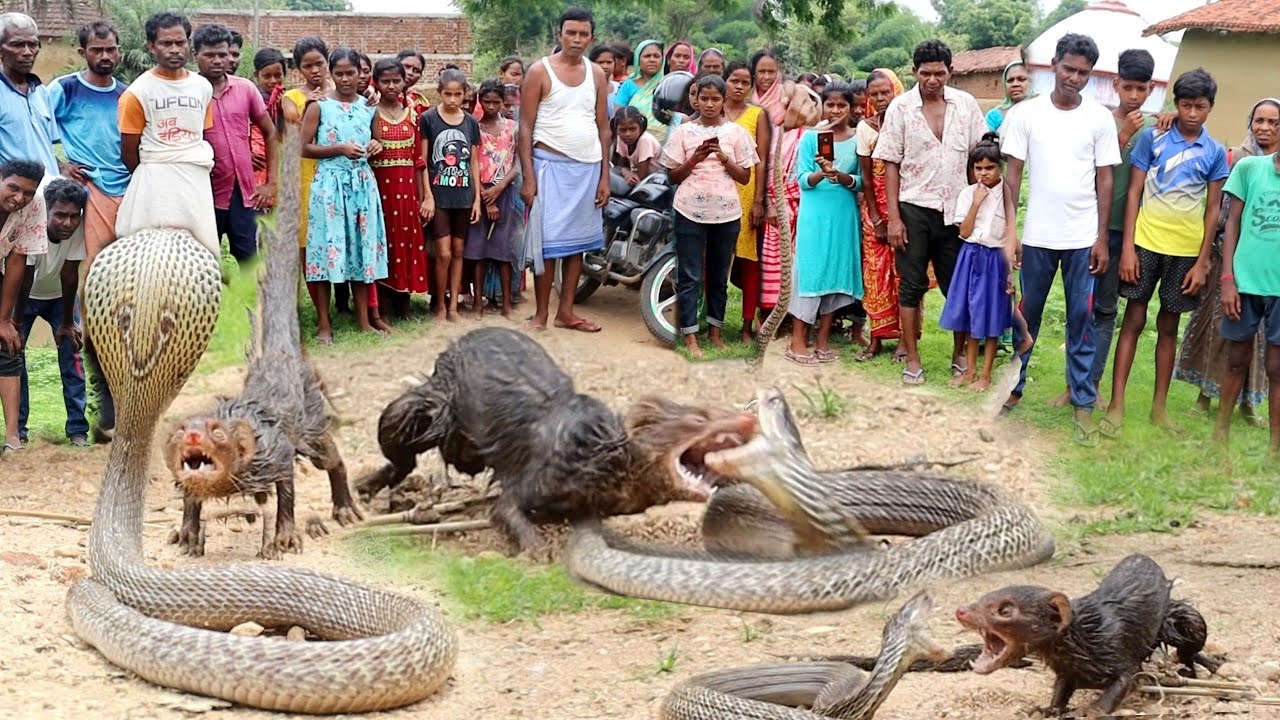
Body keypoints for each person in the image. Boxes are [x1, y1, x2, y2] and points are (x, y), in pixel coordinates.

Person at [999, 33, 1120, 446]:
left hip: (1083, 238)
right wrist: (1010, 231)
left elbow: (1106, 179)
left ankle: (1083, 400)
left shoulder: (1099, 118)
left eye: (1083, 72)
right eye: (1068, 69)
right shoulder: (1026, 115)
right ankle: (1012, 388)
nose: (1074, 78)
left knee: (1081, 320)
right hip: (1035, 237)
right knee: (1024, 317)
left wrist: (1102, 238)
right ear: (1053, 65)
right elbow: (1011, 175)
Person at [1100, 68, 1228, 438]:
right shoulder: (1153, 140)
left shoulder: (1215, 152)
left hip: (1185, 253)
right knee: (1133, 321)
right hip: (1144, 245)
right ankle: (1116, 404)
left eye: (1199, 107)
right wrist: (1127, 248)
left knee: (1168, 326)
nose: (1191, 113)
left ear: (1210, 108)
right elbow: (1135, 194)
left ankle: (1159, 409)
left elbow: (1212, 209)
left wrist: (1203, 261)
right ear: (1176, 104)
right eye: (1185, 105)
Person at [1046, 49, 1159, 409]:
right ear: (1116, 85)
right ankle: (1071, 385)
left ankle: (1091, 385)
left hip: (1126, 234)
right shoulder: (1098, 121)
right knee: (1081, 307)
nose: (1134, 96)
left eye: (1142, 89)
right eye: (1128, 88)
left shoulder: (1156, 129)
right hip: (1088, 228)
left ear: (1152, 89)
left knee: (1106, 310)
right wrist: (1123, 136)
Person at [872, 39, 988, 385]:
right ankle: (913, 358)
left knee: (958, 286)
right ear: (914, 72)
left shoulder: (966, 105)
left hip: (955, 211)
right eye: (926, 74)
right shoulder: (901, 108)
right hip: (913, 209)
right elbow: (890, 163)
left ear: (950, 71)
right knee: (911, 286)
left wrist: (979, 207)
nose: (933, 80)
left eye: (940, 73)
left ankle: (958, 355)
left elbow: (978, 158)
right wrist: (893, 218)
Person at [1176, 97, 1280, 427]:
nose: (1264, 128)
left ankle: (1249, 405)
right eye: (1258, 121)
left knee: (1267, 349)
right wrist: (1222, 271)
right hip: (1232, 263)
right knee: (1223, 337)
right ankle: (1206, 398)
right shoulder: (1241, 160)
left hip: (1269, 275)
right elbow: (1225, 217)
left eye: (1273, 122)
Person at [47, 20, 128, 443]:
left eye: (111, 49)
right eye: (97, 49)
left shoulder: (127, 92)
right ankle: (103, 401)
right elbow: (39, 128)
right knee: (94, 295)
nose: (105, 56)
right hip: (88, 194)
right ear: (83, 52)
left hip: (128, 193)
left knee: (128, 294)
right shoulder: (64, 89)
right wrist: (60, 165)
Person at [518, 6, 612, 334]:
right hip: (549, 170)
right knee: (548, 245)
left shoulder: (597, 75)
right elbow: (525, 128)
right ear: (559, 34)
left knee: (577, 246)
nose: (576, 39)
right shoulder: (539, 72)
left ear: (591, 38)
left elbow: (604, 128)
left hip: (587, 171)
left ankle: (566, 313)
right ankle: (541, 315)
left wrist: (604, 176)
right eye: (570, 32)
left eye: (583, 34)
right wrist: (528, 177)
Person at [659, 74, 758, 357]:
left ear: (724, 100)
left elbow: (744, 176)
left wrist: (723, 157)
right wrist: (695, 158)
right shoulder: (683, 133)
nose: (710, 104)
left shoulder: (737, 133)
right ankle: (690, 336)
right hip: (689, 211)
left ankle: (715, 333)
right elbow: (673, 176)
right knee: (689, 275)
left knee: (717, 276)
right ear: (696, 99)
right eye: (704, 98)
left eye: (716, 99)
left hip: (726, 214)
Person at [300, 48, 388, 343]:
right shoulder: (319, 106)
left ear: (362, 74)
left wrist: (376, 145)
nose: (346, 79)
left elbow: (376, 139)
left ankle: (364, 321)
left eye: (351, 73)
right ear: (331, 74)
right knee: (326, 251)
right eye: (339, 73)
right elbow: (302, 147)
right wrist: (338, 149)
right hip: (330, 186)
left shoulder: (369, 106)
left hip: (362, 185)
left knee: (361, 251)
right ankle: (325, 324)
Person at [114, 12, 217, 257]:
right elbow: (129, 152)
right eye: (165, 43)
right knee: (154, 253)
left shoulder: (202, 87)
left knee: (196, 251)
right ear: (151, 46)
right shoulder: (137, 93)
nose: (174, 49)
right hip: (156, 183)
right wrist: (158, 173)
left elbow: (200, 135)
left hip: (195, 180)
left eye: (180, 42)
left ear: (189, 44)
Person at [785, 81, 862, 366]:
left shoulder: (858, 139)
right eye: (830, 104)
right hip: (815, 214)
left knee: (835, 273)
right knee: (810, 273)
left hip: (843, 214)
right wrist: (822, 172)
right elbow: (802, 179)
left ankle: (823, 340)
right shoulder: (811, 138)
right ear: (823, 107)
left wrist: (841, 176)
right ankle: (797, 341)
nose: (836, 110)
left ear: (851, 108)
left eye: (842, 105)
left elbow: (862, 181)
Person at [1214, 128, 1280, 455]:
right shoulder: (1250, 169)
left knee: (1277, 368)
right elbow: (1232, 223)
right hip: (1244, 282)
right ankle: (1220, 434)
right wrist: (1228, 278)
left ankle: (1274, 447)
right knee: (1236, 359)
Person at [193, 23, 276, 265]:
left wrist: (271, 184)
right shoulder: (188, 92)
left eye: (223, 54)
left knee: (249, 259)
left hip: (244, 192)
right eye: (209, 55)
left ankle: (251, 304)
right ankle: (206, 303)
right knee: (202, 261)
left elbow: (270, 133)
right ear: (195, 54)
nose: (218, 60)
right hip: (203, 192)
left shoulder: (245, 88)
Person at [940, 134, 1015, 392]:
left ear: (1000, 168)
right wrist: (976, 203)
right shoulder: (967, 194)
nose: (983, 173)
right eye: (978, 168)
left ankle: (986, 374)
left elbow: (1011, 231)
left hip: (995, 260)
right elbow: (964, 231)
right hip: (970, 256)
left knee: (992, 316)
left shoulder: (1008, 194)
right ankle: (970, 370)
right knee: (971, 314)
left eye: (989, 168)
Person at [17, 179, 88, 447]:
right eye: (60, 215)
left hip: (60, 298)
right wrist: (14, 322)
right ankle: (18, 431)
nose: (67, 223)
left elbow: (70, 275)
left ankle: (78, 430)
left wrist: (68, 322)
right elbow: (24, 279)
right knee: (14, 359)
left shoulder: (75, 231)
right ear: (47, 211)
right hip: (24, 298)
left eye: (73, 216)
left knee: (72, 354)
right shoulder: (32, 226)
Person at [369, 58, 428, 320]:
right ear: (376, 83)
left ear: (404, 82)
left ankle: (404, 306)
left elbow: (419, 161)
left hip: (407, 193)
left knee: (406, 243)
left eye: (396, 80)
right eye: (385, 81)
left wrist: (425, 196)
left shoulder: (413, 115)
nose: (391, 86)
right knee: (384, 243)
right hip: (379, 192)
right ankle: (380, 307)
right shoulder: (369, 113)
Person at [420, 68, 481, 322]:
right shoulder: (428, 119)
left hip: (464, 196)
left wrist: (477, 198)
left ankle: (453, 306)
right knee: (443, 253)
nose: (453, 100)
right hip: (440, 197)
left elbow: (474, 163)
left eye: (458, 94)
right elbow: (422, 161)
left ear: (465, 94)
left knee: (458, 251)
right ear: (439, 93)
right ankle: (440, 304)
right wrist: (428, 196)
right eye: (448, 94)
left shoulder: (470, 123)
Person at [855, 67, 907, 362]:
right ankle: (876, 339)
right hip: (874, 213)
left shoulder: (907, 124)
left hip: (904, 211)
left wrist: (898, 216)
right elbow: (866, 178)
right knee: (875, 275)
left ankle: (904, 340)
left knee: (904, 276)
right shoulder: (865, 128)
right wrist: (875, 218)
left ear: (895, 91)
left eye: (884, 92)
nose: (880, 98)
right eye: (874, 94)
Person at [761, 83, 822, 316]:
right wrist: (769, 203)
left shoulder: (811, 135)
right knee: (773, 261)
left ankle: (793, 314)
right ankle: (768, 313)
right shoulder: (774, 133)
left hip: (803, 207)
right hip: (777, 207)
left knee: (799, 261)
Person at [723, 60, 772, 342]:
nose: (739, 87)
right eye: (734, 81)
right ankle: (708, 320)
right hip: (714, 191)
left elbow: (762, 160)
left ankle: (745, 326)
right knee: (712, 260)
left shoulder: (757, 115)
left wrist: (758, 202)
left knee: (749, 260)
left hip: (746, 192)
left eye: (745, 82)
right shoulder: (713, 108)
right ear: (725, 81)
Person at [466, 78, 521, 319]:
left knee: (503, 250)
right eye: (486, 101)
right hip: (478, 193)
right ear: (479, 101)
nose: (490, 106)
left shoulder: (512, 127)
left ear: (503, 102)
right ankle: (478, 302)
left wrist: (498, 190)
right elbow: (472, 165)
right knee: (478, 250)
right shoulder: (473, 128)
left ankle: (506, 302)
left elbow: (518, 164)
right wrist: (484, 198)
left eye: (495, 102)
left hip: (504, 191)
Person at [0, 159, 44, 453]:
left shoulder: (34, 205)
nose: (19, 198)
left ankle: (13, 437)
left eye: (27, 192)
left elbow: (18, 259)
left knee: (7, 349)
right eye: (12, 188)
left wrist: (4, 320)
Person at [283, 37, 329, 258]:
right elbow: (295, 136)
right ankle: (311, 288)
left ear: (327, 61)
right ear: (299, 69)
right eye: (307, 66)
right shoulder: (291, 98)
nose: (315, 70)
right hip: (306, 173)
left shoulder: (343, 92)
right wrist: (309, 107)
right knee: (306, 235)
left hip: (336, 171)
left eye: (319, 63)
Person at [0, 13, 60, 179]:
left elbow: (44, 146)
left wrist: (62, 167)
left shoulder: (41, 91)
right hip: (15, 196)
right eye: (17, 45)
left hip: (49, 193)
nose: (27, 52)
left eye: (32, 44)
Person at [615, 40, 667, 144]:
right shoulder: (628, 85)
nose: (652, 60)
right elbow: (618, 116)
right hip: (633, 143)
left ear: (663, 60)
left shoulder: (668, 84)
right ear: (638, 59)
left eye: (656, 56)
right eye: (647, 56)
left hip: (666, 143)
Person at [249, 48, 286, 191]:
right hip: (253, 162)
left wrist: (282, 110)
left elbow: (282, 136)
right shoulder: (249, 98)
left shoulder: (286, 100)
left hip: (274, 162)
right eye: (267, 76)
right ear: (256, 76)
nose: (273, 81)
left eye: (278, 75)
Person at [611, 105, 659, 184]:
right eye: (623, 130)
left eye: (632, 129)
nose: (628, 134)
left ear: (640, 127)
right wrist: (626, 172)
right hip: (643, 177)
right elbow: (622, 165)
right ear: (616, 130)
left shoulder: (645, 140)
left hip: (657, 180)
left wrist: (627, 173)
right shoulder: (621, 139)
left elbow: (642, 176)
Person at [984, 60, 1032, 133]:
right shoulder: (994, 116)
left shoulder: (1044, 112)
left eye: (1021, 79)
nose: (1015, 84)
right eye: (1010, 80)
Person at [750, 49, 788, 127]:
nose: (766, 77)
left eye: (771, 72)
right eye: (761, 71)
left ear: (777, 73)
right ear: (754, 72)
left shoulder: (786, 94)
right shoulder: (745, 96)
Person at [395, 49, 431, 118]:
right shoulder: (376, 96)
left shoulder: (419, 103)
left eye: (416, 71)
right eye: (406, 66)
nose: (410, 73)